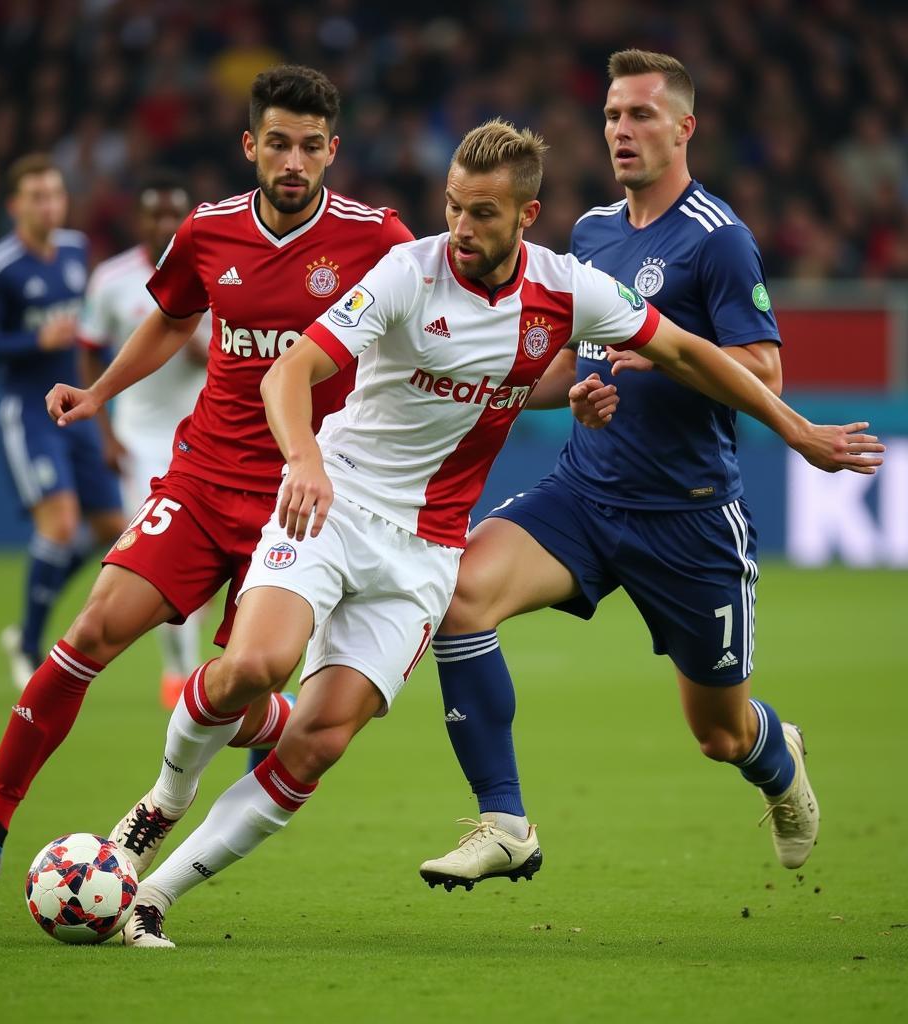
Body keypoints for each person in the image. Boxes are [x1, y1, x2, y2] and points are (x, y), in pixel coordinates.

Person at [106, 119, 879, 948]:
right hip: (336, 502)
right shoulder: (408, 271)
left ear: (527, 216)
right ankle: (160, 806)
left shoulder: (567, 289)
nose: (461, 230)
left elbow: (687, 352)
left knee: (318, 742)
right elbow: (293, 367)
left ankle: (153, 898)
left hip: (427, 549)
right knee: (253, 668)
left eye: (480, 214)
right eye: (452, 207)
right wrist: (302, 459)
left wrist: (797, 432)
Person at [0, 64, 413, 891]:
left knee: (248, 678)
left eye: (310, 148)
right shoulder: (209, 230)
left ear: (332, 151)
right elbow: (171, 318)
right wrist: (99, 391)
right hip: (203, 477)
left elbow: (443, 314)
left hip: (304, 502)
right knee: (90, 633)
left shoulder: (379, 238)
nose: (293, 163)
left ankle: (269, 719)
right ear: (250, 145)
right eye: (278, 145)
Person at [418, 49, 884, 892]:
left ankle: (778, 755)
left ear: (684, 128)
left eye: (639, 115)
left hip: (689, 516)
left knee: (719, 732)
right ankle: (504, 820)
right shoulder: (593, 232)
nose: (621, 131)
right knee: (457, 597)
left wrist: (652, 363)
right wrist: (496, 390)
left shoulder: (720, 240)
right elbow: (571, 363)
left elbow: (766, 373)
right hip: (585, 494)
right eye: (610, 116)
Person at [0, 154, 125, 691]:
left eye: (55, 193)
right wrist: (36, 340)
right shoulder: (1, 266)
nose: (49, 204)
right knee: (59, 522)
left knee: (111, 532)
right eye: (37, 196)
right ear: (15, 206)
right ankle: (30, 645)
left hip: (73, 405)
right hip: (27, 408)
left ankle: (32, 617)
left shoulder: (76, 251)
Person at [77, 171, 209, 710]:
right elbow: (88, 349)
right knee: (160, 559)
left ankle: (195, 669)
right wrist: (103, 431)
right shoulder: (110, 280)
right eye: (154, 213)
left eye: (172, 212)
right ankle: (180, 672)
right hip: (138, 441)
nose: (164, 223)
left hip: (205, 437)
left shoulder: (214, 270)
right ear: (140, 219)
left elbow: (221, 352)